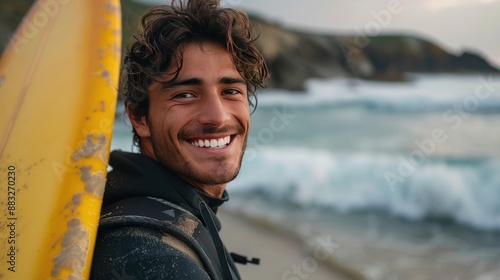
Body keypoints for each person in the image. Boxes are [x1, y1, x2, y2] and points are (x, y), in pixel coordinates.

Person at [90, 0, 269, 279]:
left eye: (231, 91)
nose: (218, 117)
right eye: (185, 95)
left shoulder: (169, 213)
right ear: (139, 117)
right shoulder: (150, 257)